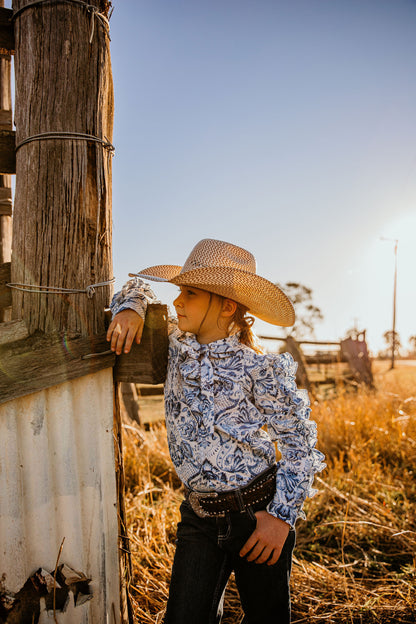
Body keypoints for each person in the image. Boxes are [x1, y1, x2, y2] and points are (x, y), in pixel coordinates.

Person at [107, 238, 325, 624]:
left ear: (226, 306)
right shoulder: (174, 344)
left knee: (266, 617)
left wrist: (281, 517)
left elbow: (300, 447)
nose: (177, 302)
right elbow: (136, 284)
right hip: (199, 515)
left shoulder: (258, 368)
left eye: (190, 293)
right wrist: (130, 309)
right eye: (179, 292)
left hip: (258, 514)